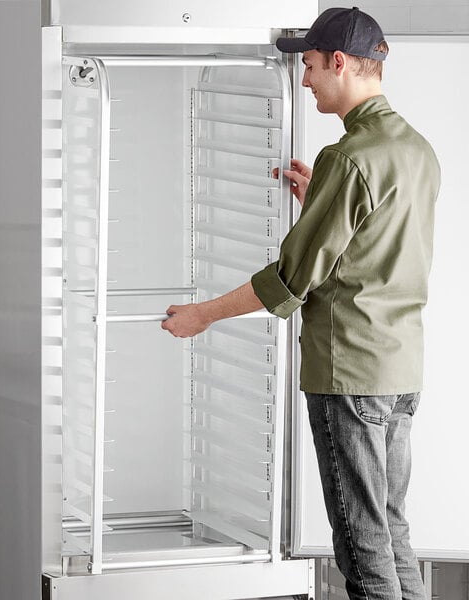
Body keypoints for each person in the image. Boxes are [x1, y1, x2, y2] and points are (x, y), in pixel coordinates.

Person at [161, 7, 440, 600]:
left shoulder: (349, 158)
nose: (305, 79)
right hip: (399, 370)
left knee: (362, 547)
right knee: (391, 528)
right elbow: (373, 242)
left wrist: (199, 315)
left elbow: (292, 278)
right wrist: (322, 200)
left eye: (310, 66)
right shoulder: (414, 149)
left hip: (349, 374)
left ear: (339, 62)